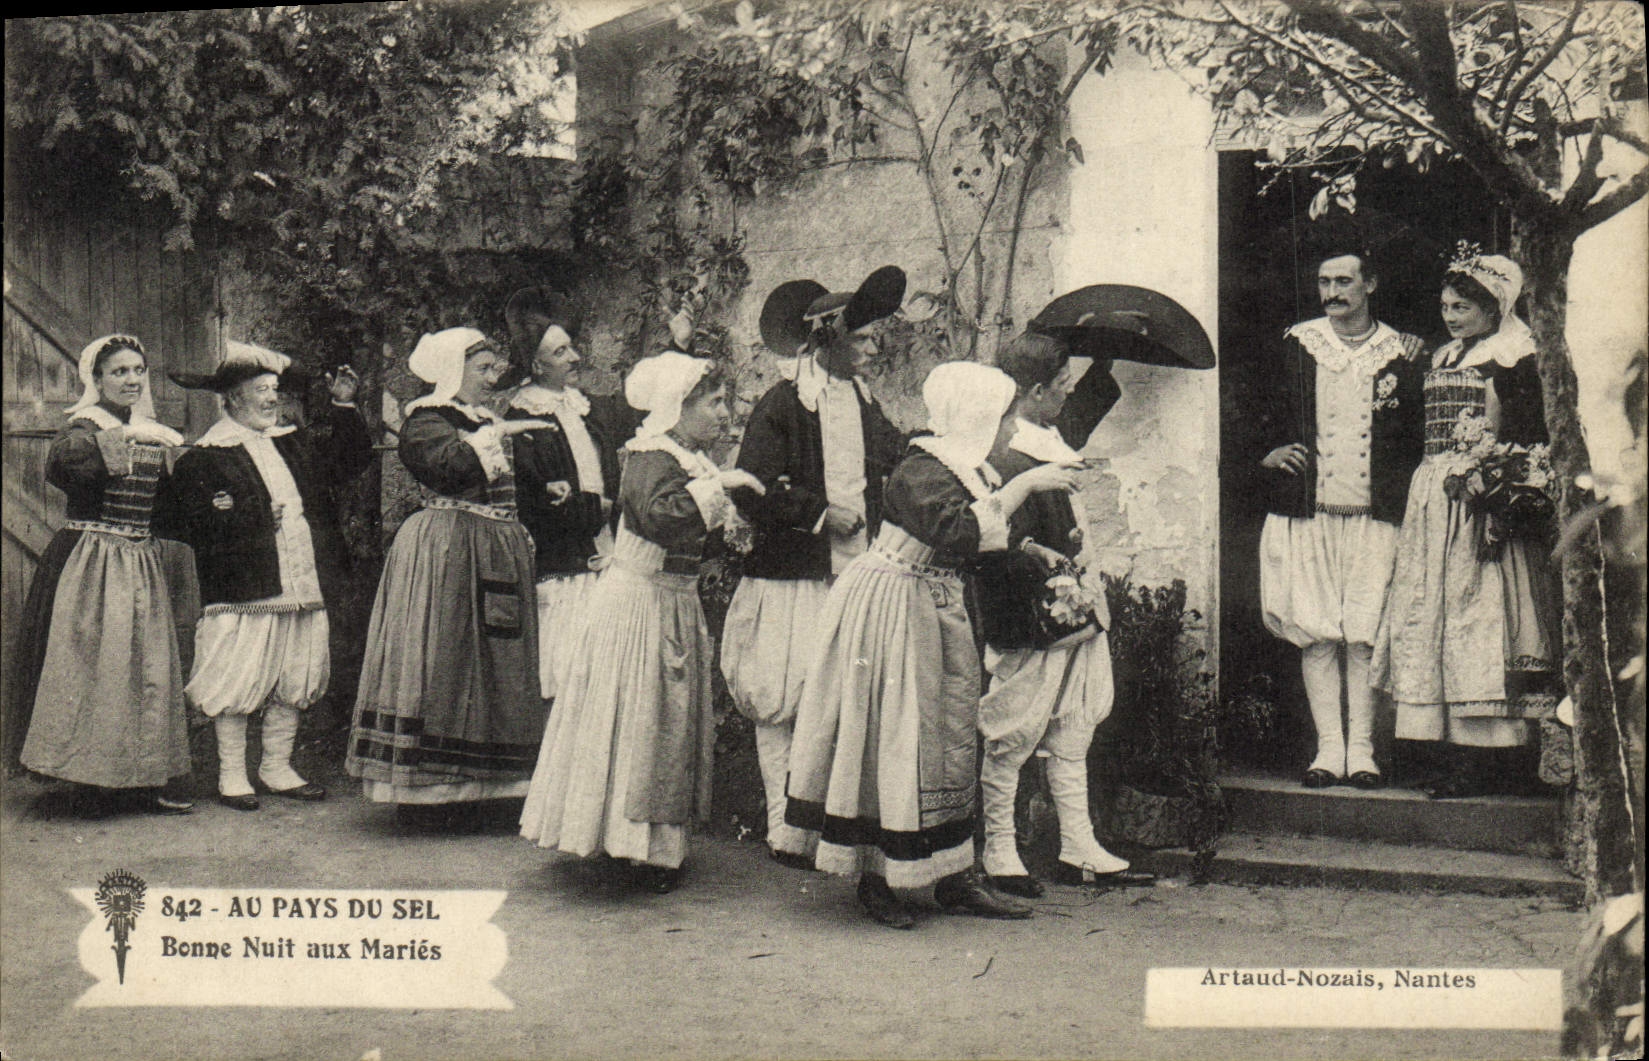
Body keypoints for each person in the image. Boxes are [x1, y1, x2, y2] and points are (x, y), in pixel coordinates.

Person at [783, 360, 1080, 928]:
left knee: (946, 736)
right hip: (893, 605)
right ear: (976, 418)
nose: (1009, 432)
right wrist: (1023, 485)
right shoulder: (921, 469)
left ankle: (951, 873)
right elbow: (960, 531)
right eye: (1003, 420)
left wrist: (1029, 551)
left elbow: (983, 538)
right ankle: (877, 876)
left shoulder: (966, 469)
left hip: (937, 605)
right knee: (894, 734)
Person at [520, 351, 763, 893]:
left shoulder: (688, 458)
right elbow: (662, 519)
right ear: (678, 406)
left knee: (661, 720)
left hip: (672, 600)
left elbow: (698, 529)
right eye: (714, 402)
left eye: (725, 402)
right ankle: (624, 842)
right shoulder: (652, 454)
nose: (725, 413)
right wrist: (723, 487)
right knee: (637, 716)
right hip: (639, 606)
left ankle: (650, 845)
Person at [720, 268, 908, 867]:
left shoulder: (862, 400)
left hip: (851, 574)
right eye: (864, 340)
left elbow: (893, 455)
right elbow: (749, 489)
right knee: (784, 696)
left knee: (836, 697)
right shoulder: (784, 403)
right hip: (794, 577)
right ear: (828, 341)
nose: (874, 350)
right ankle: (781, 820)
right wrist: (822, 515)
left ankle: (820, 819)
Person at [973, 331, 1157, 896]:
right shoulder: (1001, 451)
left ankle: (1078, 841)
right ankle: (999, 848)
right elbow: (1000, 537)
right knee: (1015, 728)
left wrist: (1108, 355)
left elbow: (1082, 409)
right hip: (1030, 610)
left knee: (1074, 726)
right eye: (1058, 387)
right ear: (1030, 392)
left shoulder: (1049, 433)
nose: (1066, 395)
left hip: (1074, 603)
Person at [1375, 249, 1560, 798]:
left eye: (1462, 307)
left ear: (1493, 308)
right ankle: (1440, 745)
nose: (1451, 316)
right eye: (1445, 306)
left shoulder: (1513, 357)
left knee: (1477, 616)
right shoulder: (1447, 354)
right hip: (1434, 502)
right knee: (1432, 615)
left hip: (1478, 500)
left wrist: (1497, 484)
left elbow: (1526, 441)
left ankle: (1484, 758)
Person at [347, 329, 550, 812]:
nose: (492, 376)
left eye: (492, 367)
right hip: (448, 550)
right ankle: (428, 793)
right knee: (445, 658)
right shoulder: (426, 420)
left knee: (494, 664)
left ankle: (490, 788)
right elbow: (447, 469)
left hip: (494, 546)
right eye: (481, 368)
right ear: (450, 373)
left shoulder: (483, 419)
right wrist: (493, 436)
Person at [169, 341, 371, 810]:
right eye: (260, 390)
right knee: (238, 676)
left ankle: (276, 766)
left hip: (301, 582)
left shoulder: (292, 444)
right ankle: (232, 774)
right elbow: (189, 524)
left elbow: (350, 462)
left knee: (294, 674)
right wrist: (253, 520)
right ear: (232, 399)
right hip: (245, 589)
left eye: (275, 389)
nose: (271, 399)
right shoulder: (205, 457)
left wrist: (342, 405)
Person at [1254, 246, 1425, 789]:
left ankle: (1364, 751)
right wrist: (1268, 451)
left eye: (1344, 281)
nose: (1332, 293)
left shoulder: (1402, 352)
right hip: (1309, 515)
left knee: (1366, 634)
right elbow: (1253, 408)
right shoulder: (1298, 343)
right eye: (1325, 282)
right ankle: (1328, 750)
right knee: (1319, 633)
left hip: (1376, 518)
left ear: (1369, 284)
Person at [15, 335, 193, 816]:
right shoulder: (83, 427)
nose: (132, 379)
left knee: (144, 671)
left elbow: (169, 509)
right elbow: (64, 465)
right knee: (94, 669)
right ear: (96, 380)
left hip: (139, 562)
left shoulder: (152, 430)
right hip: (90, 565)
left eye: (138, 370)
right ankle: (87, 782)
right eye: (119, 372)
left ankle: (141, 779)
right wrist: (130, 438)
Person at [503, 288, 621, 705]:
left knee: (605, 679)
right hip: (562, 566)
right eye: (560, 352)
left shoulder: (584, 407)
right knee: (569, 675)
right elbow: (532, 504)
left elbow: (639, 407)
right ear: (535, 364)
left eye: (571, 348)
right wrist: (597, 509)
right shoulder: (522, 421)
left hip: (604, 555)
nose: (574, 358)